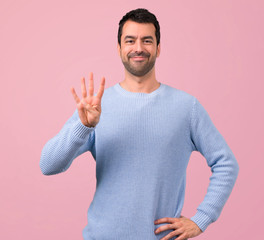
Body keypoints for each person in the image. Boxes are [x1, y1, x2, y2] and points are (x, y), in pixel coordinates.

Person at [40, 8, 239, 240]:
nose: (138, 48)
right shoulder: (96, 107)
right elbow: (48, 165)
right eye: (130, 40)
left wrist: (201, 219)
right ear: (119, 49)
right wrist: (83, 127)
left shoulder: (187, 107)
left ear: (158, 48)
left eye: (147, 40)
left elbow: (226, 164)